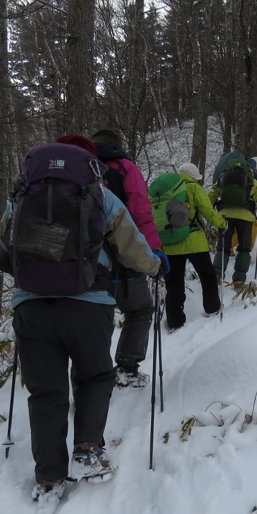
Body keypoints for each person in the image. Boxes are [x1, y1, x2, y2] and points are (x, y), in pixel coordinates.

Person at [0, 136, 167, 514]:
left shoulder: (21, 195)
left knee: (46, 392)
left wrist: (29, 278)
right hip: (89, 303)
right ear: (89, 162)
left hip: (31, 308)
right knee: (94, 376)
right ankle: (88, 450)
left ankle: (49, 478)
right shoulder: (100, 196)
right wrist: (156, 265)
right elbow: (133, 248)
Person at [90, 129, 162, 389]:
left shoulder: (78, 172)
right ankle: (126, 369)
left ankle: (92, 377)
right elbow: (141, 213)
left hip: (85, 264)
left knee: (95, 317)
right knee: (140, 310)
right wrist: (153, 252)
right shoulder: (125, 168)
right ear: (116, 145)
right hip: (125, 259)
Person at [162, 162, 227, 331]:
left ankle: (174, 322)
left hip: (170, 242)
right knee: (207, 275)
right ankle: (212, 308)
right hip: (194, 241)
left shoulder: (167, 189)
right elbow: (208, 211)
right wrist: (222, 224)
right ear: (194, 177)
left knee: (174, 283)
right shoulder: (193, 188)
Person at [208, 157, 257, 286]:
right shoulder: (251, 179)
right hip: (246, 217)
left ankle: (217, 274)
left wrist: (210, 209)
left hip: (225, 216)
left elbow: (211, 195)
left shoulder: (223, 177)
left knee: (223, 246)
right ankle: (239, 279)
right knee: (244, 248)